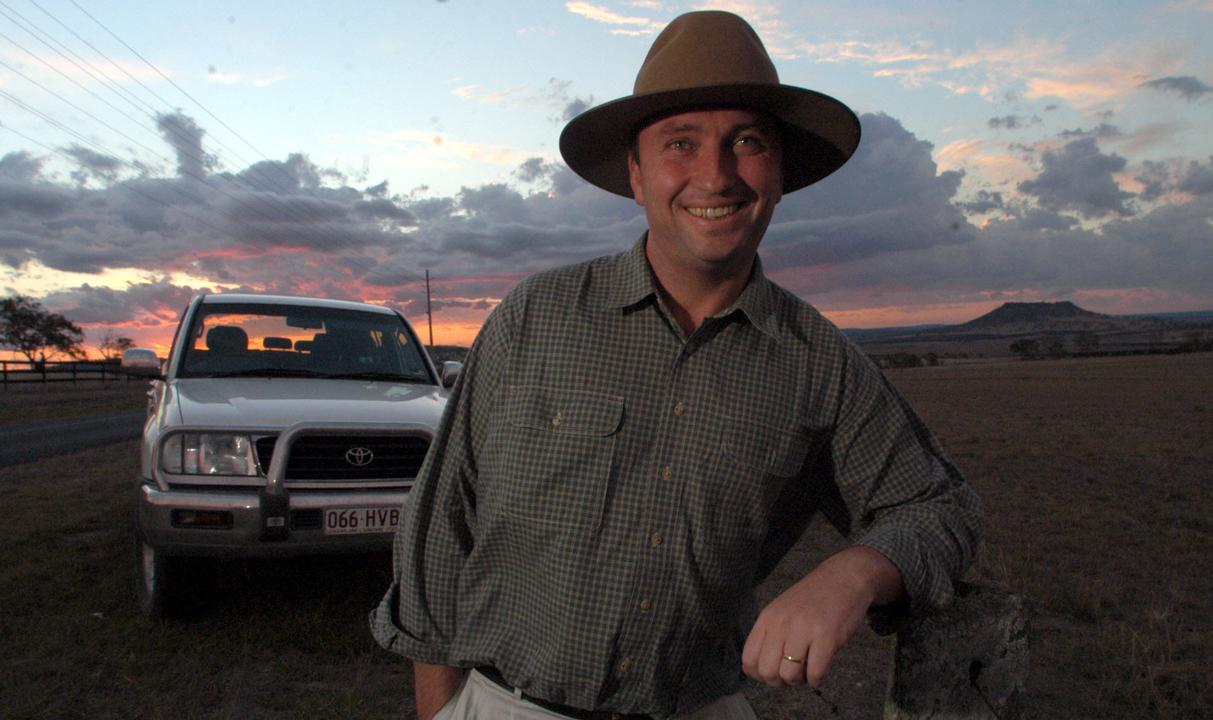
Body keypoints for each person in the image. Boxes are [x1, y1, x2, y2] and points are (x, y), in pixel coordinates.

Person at [371, 10, 981, 720]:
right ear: (636, 174)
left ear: (780, 173)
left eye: (746, 142)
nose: (715, 175)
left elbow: (942, 508)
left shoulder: (819, 364)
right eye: (680, 143)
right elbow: (439, 530)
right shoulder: (534, 320)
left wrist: (855, 573)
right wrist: (444, 712)